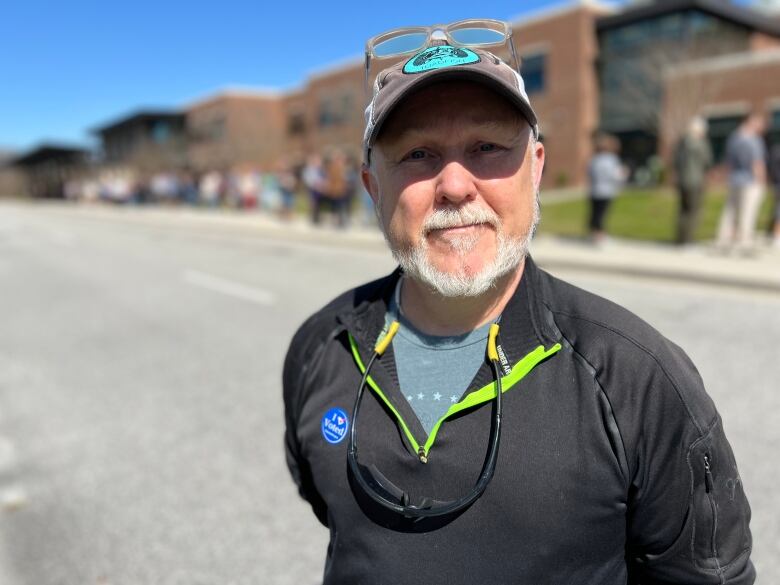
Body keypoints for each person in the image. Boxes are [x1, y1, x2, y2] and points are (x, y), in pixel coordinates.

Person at [283, 23, 754, 585]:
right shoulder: (321, 346)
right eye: (416, 154)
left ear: (536, 168)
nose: (455, 185)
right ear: (371, 187)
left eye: (486, 147)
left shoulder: (639, 378)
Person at [716, 114, 767, 254]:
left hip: (734, 179)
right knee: (748, 212)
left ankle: (723, 240)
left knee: (730, 211)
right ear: (752, 122)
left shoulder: (733, 139)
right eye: (760, 123)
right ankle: (744, 242)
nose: (762, 127)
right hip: (750, 181)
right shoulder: (755, 140)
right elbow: (757, 163)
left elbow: (728, 162)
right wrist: (761, 181)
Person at [674, 116, 713, 245]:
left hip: (682, 180)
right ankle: (688, 240)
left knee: (682, 210)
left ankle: (680, 238)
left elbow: (676, 162)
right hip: (695, 181)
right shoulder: (701, 144)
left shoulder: (682, 143)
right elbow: (707, 161)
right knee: (693, 211)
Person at [587, 132, 625, 244]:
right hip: (606, 191)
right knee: (602, 214)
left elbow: (590, 173)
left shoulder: (594, 159)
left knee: (595, 213)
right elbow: (616, 175)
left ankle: (594, 234)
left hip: (594, 190)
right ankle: (599, 236)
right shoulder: (612, 159)